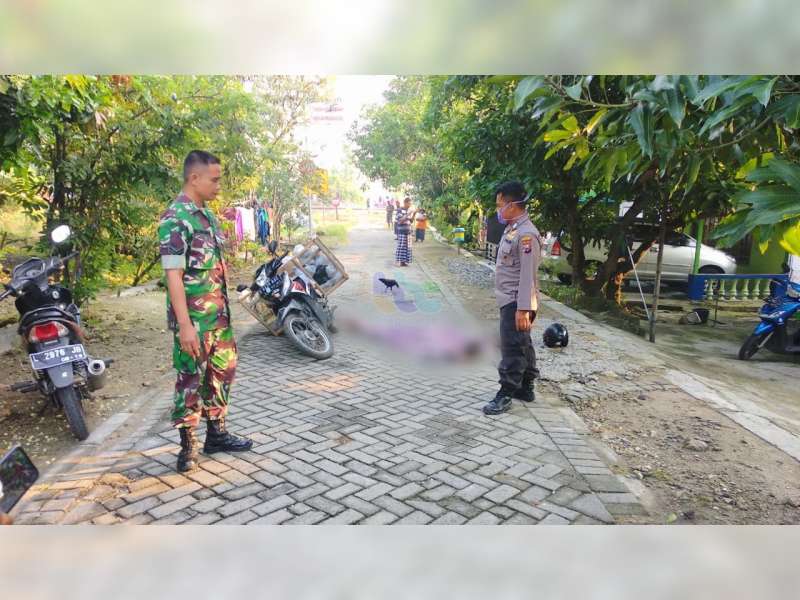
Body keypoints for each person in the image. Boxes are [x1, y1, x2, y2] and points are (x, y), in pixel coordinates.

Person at [158, 150, 253, 473]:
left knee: (222, 373)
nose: (218, 185)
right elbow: (173, 274)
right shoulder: (175, 219)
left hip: (219, 317)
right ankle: (187, 447)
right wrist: (184, 325)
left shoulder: (207, 216)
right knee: (190, 379)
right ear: (194, 178)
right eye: (214, 179)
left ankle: (217, 434)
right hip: (195, 321)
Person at [483, 181, 543, 416]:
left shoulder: (527, 235)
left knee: (512, 346)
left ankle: (506, 393)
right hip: (509, 298)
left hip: (517, 301)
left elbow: (528, 275)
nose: (498, 210)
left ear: (512, 205)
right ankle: (526, 387)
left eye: (500, 205)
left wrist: (523, 309)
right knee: (523, 343)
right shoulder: (513, 229)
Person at [394, 197, 414, 266]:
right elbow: (400, 220)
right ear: (405, 203)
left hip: (408, 231)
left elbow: (411, 221)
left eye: (410, 204)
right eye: (409, 203)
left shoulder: (409, 210)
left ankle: (404, 261)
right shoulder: (400, 210)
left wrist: (414, 214)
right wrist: (408, 214)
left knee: (408, 247)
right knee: (401, 246)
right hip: (402, 231)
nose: (410, 205)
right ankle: (398, 261)